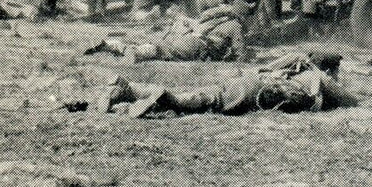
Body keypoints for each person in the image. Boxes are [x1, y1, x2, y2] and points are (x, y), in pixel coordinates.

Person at [80, 52, 355, 118]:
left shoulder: (293, 63)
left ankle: (127, 89)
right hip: (263, 93)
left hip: (255, 82)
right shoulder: (318, 77)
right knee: (210, 103)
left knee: (209, 95)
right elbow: (349, 101)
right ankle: (167, 99)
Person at [84, 1, 252, 62]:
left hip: (184, 34)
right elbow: (241, 55)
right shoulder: (235, 25)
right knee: (161, 51)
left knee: (156, 42)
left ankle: (110, 43)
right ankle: (133, 53)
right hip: (196, 45)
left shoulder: (219, 13)